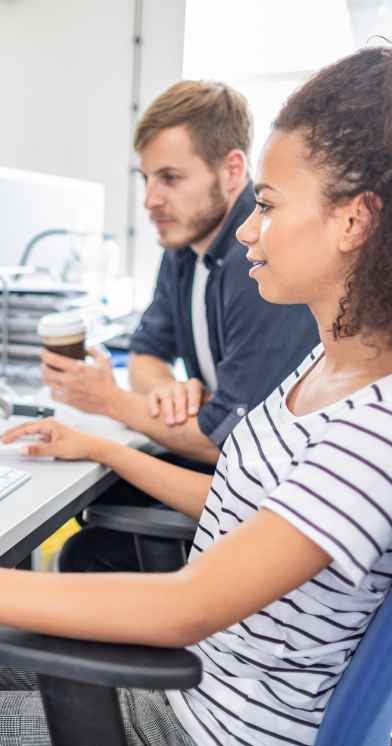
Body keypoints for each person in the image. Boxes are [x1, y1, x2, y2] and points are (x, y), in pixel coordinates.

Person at [0, 45, 392, 746]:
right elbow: (250, 520)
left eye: (269, 207)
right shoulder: (330, 366)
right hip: (204, 689)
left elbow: (187, 605)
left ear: (352, 221)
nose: (249, 231)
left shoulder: (372, 429)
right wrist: (95, 446)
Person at [45, 80, 318, 573]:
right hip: (224, 471)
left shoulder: (259, 266)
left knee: (87, 550)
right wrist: (168, 392)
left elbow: (221, 440)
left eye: (170, 177)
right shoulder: (182, 249)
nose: (150, 199)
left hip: (251, 499)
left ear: (233, 170)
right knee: (95, 508)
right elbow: (147, 352)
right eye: (146, 178)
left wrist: (109, 401)